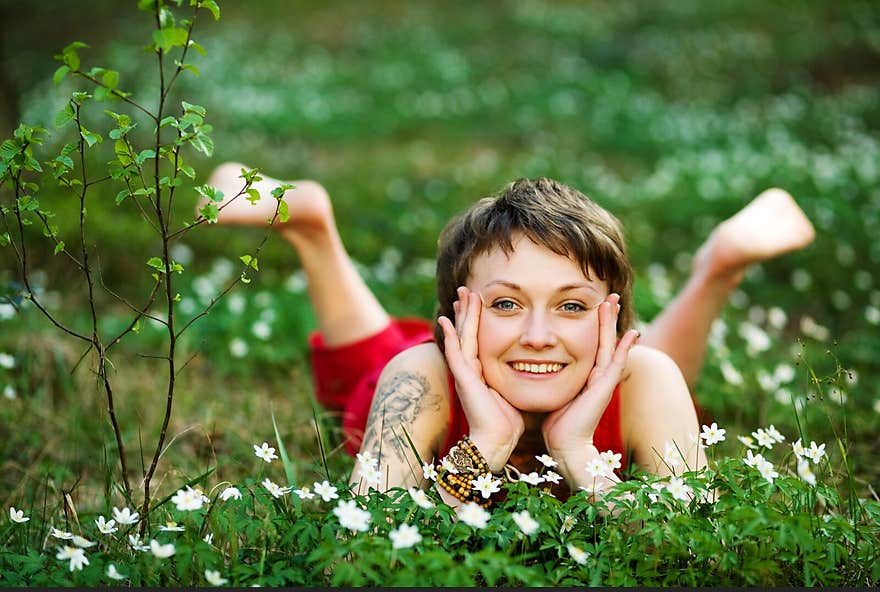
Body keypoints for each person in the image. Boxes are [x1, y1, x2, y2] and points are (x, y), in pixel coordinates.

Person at [197, 164, 815, 506]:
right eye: (507, 303)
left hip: (605, 367)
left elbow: (686, 541)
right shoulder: (423, 378)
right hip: (458, 375)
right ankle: (313, 226)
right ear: (458, 313)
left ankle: (719, 264)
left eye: (572, 305)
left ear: (616, 316)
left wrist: (577, 451)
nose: (539, 334)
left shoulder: (644, 373)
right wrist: (487, 442)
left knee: (645, 373)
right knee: (372, 351)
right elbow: (364, 542)